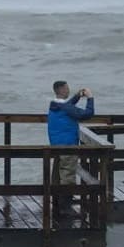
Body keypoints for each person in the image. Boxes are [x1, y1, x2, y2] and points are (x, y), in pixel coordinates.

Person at [47, 80, 95, 215]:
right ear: (61, 90)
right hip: (67, 145)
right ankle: (65, 208)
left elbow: (68, 106)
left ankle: (57, 202)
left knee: (58, 173)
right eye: (66, 88)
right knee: (68, 175)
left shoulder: (55, 104)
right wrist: (90, 98)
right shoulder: (65, 108)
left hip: (56, 144)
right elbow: (87, 114)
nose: (68, 90)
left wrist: (77, 96)